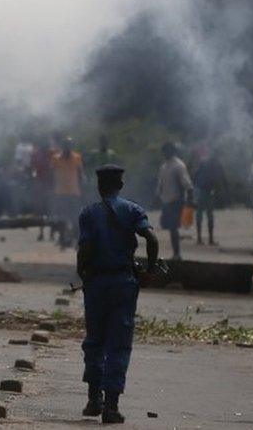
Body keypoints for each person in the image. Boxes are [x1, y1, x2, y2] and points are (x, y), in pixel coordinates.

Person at [77, 165, 160, 424]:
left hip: (97, 283)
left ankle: (93, 399)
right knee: (119, 343)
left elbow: (85, 249)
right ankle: (111, 406)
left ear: (99, 187)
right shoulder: (133, 210)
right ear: (121, 186)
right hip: (124, 282)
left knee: (95, 339)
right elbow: (152, 240)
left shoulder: (89, 213)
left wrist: (84, 273)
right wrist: (149, 269)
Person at [156, 142, 192, 260]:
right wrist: (157, 198)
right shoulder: (164, 167)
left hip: (176, 201)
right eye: (163, 151)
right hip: (166, 201)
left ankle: (177, 254)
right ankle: (176, 252)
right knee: (166, 225)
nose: (165, 154)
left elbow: (187, 185)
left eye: (167, 151)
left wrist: (189, 201)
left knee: (172, 227)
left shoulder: (179, 166)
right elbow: (160, 185)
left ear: (172, 151)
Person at [51, 137, 84, 248]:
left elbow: (81, 175)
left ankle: (75, 239)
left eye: (69, 145)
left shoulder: (77, 157)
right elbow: (52, 175)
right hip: (60, 192)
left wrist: (82, 187)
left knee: (75, 217)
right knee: (61, 217)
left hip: (74, 192)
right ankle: (62, 239)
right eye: (65, 145)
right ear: (62, 146)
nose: (67, 147)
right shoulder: (56, 158)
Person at [193, 146, 226, 246]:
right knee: (209, 216)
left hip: (201, 190)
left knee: (200, 215)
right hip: (208, 192)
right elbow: (221, 179)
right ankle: (210, 239)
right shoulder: (217, 164)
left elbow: (195, 175)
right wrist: (222, 191)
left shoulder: (204, 162)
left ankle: (199, 238)